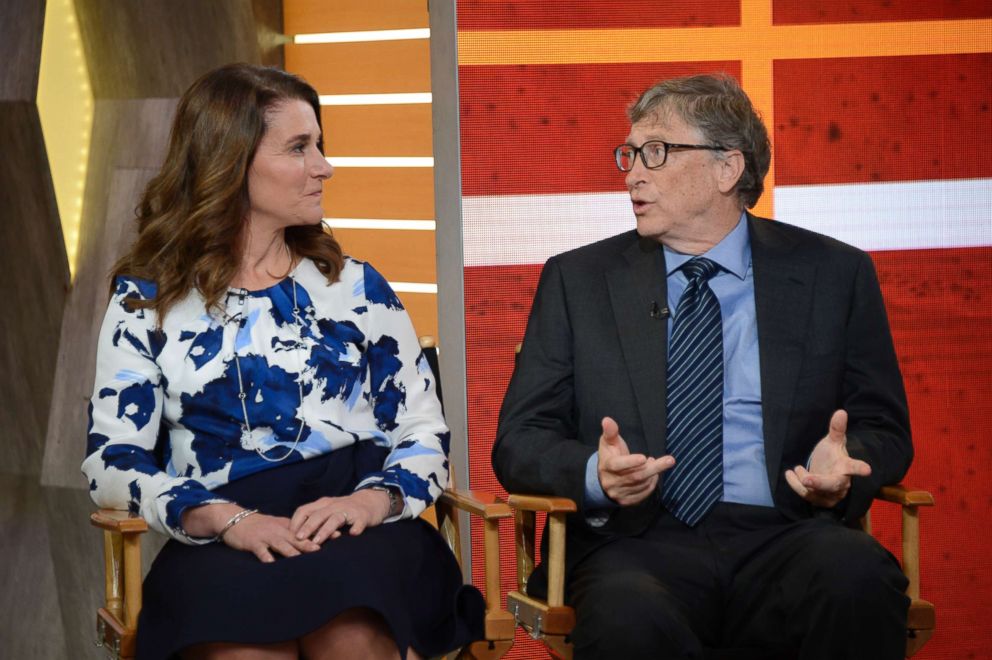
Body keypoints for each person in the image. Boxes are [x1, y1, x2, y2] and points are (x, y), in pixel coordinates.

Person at [493, 73, 912, 659]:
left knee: (857, 580)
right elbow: (519, 441)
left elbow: (885, 427)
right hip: (638, 544)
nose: (633, 173)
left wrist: (846, 465)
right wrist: (594, 472)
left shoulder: (833, 275)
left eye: (656, 152)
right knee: (626, 615)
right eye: (629, 154)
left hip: (789, 531)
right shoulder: (578, 280)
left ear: (727, 168)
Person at [82, 63, 484, 660]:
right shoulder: (147, 300)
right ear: (230, 162)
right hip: (222, 535)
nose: (325, 165)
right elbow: (111, 462)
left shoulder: (357, 287)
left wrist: (371, 502)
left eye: (320, 145)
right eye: (299, 147)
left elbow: (423, 430)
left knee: (353, 635)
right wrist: (221, 517)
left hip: (358, 522)